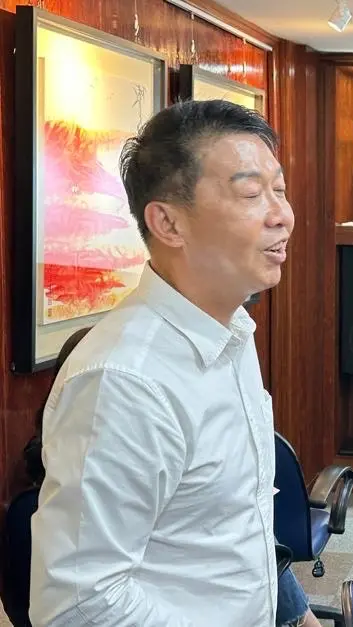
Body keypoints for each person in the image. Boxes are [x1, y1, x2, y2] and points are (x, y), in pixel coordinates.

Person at [29, 99, 294, 626]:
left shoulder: (232, 332)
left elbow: (234, 522)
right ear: (168, 222)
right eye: (251, 193)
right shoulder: (124, 381)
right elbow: (78, 605)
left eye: (280, 190)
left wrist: (293, 608)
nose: (281, 215)